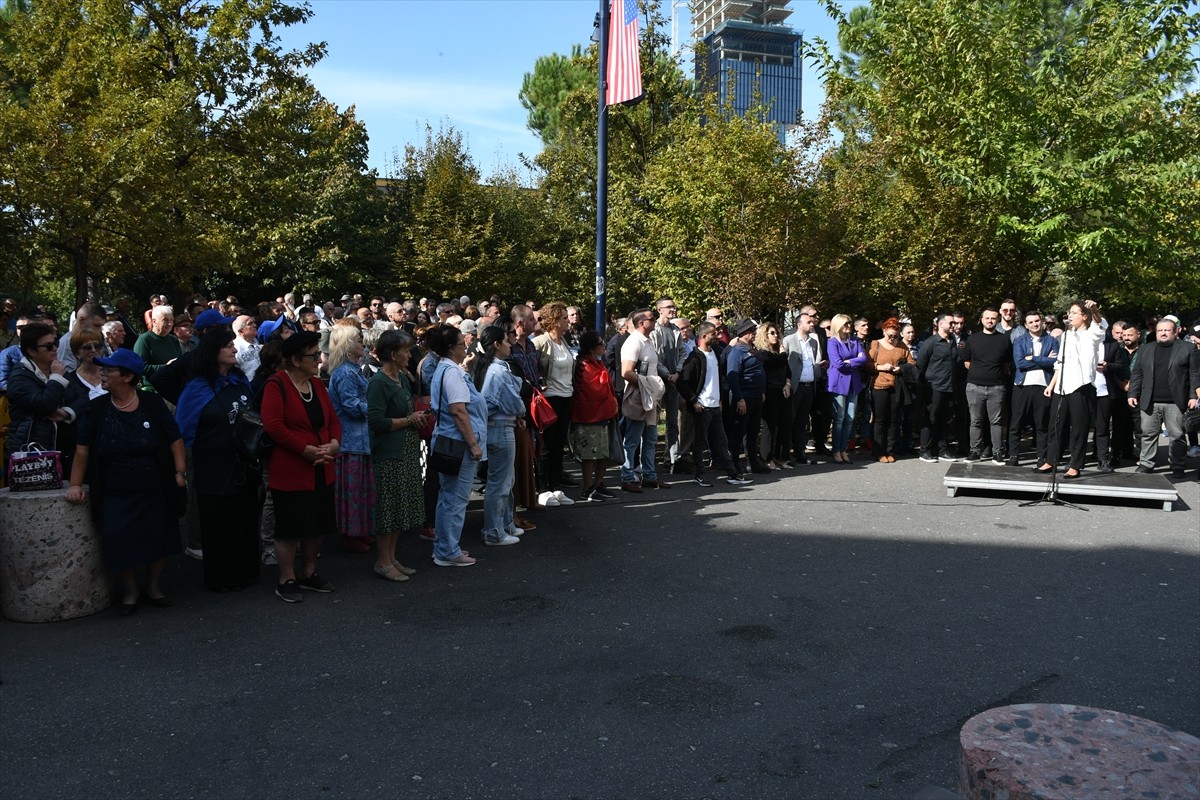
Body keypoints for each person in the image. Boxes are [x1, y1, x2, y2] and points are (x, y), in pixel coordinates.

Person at [65, 350, 185, 615]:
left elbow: (174, 438)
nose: (103, 373)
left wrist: (179, 472)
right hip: (114, 489)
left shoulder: (152, 403)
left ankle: (153, 586)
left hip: (154, 484)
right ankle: (130, 590)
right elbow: (82, 449)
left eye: (109, 370)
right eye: (103, 369)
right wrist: (74, 484)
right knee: (118, 538)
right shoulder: (95, 408)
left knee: (158, 537)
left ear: (128, 376)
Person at [175, 327, 261, 592]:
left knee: (244, 517)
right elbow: (181, 430)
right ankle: (222, 577)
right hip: (212, 466)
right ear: (213, 352)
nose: (234, 349)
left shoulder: (239, 380)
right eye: (227, 346)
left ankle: (247, 571)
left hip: (242, 464)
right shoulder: (196, 389)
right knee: (219, 521)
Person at [260, 331, 340, 602]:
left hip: (322, 465)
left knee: (317, 524)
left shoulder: (317, 385)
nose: (319, 359)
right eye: (314, 355)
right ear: (295, 360)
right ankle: (286, 577)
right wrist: (303, 449)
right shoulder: (276, 384)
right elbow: (273, 426)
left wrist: (333, 444)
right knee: (290, 526)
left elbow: (332, 420)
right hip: (292, 468)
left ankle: (308, 572)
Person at [366, 329, 428, 581]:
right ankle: (382, 561)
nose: (409, 354)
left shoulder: (401, 378)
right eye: (405, 350)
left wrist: (417, 419)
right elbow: (376, 421)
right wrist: (408, 420)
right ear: (393, 354)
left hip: (406, 450)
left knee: (400, 507)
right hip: (390, 454)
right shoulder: (378, 383)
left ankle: (391, 558)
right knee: (388, 509)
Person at [428, 324, 486, 567]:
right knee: (455, 499)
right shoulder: (451, 373)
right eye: (462, 344)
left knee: (449, 497)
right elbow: (458, 411)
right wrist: (473, 444)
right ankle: (448, 551)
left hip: (450, 442)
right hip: (458, 445)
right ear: (452, 349)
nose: (466, 347)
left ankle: (446, 546)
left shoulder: (447, 369)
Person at [678, 322, 752, 487]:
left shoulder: (715, 354)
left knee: (721, 441)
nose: (718, 335)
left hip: (715, 406)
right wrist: (693, 401)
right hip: (701, 407)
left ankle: (732, 473)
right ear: (703, 336)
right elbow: (682, 383)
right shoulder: (695, 358)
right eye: (713, 333)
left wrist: (719, 400)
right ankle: (699, 474)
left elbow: (717, 379)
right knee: (700, 442)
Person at [1038, 300, 1106, 479]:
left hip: (1081, 386)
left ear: (1084, 316)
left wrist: (1095, 310)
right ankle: (1051, 459)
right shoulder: (1067, 335)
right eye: (1069, 312)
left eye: (1074, 312)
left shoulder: (1092, 333)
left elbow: (1100, 325)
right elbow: (1060, 362)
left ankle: (1075, 464)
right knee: (1056, 424)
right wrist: (1051, 385)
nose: (1070, 315)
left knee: (1079, 427)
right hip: (1062, 386)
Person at [4, 321, 77, 481]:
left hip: (64, 452)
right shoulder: (19, 378)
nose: (55, 349)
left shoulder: (58, 368)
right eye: (48, 346)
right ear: (32, 351)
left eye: (56, 343)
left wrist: (67, 413)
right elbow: (45, 405)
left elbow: (82, 400)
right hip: (31, 457)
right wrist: (57, 378)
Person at [1128, 317, 1200, 478]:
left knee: (1177, 436)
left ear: (1175, 332)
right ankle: (1146, 464)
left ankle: (1178, 465)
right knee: (1148, 434)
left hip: (1176, 401)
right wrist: (1132, 393)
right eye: (1160, 330)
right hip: (1150, 401)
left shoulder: (1188, 348)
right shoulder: (1146, 349)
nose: (1163, 333)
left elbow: (1194, 374)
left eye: (1167, 330)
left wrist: (1193, 396)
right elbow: (1137, 373)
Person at [473, 325, 527, 541]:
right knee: (500, 482)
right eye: (506, 340)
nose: (509, 344)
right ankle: (494, 531)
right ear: (496, 344)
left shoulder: (487, 368)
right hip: (500, 429)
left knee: (505, 479)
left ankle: (505, 524)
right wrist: (520, 410)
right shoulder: (498, 370)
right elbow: (516, 403)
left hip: (497, 427)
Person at [326, 325, 376, 554]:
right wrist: (377, 409)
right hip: (350, 441)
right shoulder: (345, 373)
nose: (363, 344)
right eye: (358, 340)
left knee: (361, 489)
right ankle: (350, 534)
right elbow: (351, 407)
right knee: (353, 492)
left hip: (360, 440)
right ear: (347, 345)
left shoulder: (352, 370)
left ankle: (360, 530)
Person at [619, 308, 669, 492]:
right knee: (632, 439)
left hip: (649, 396)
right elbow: (626, 372)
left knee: (650, 439)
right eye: (652, 318)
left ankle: (649, 476)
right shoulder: (633, 343)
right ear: (642, 323)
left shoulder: (647, 341)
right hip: (638, 396)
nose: (655, 321)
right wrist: (646, 384)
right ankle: (627, 477)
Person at [570, 329, 618, 501]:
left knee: (603, 453)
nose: (603, 346)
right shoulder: (583, 365)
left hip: (603, 415)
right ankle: (588, 486)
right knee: (589, 454)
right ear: (591, 348)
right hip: (588, 416)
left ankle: (598, 483)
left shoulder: (598, 363)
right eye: (600, 344)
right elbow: (594, 389)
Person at [533, 301, 577, 490]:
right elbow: (530, 367)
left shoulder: (564, 342)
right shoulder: (541, 342)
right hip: (550, 398)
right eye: (565, 318)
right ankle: (544, 488)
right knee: (547, 445)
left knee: (559, 445)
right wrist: (539, 383)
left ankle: (556, 486)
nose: (569, 321)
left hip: (566, 396)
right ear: (555, 320)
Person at [1006, 311, 1058, 467]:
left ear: (1041, 321)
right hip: (1022, 386)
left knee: (1041, 424)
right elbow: (1020, 363)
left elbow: (1055, 362)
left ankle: (1042, 458)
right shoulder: (1020, 341)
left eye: (1037, 321)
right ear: (1026, 325)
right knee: (1016, 422)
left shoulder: (1052, 341)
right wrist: (1044, 360)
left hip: (1043, 386)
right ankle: (1013, 456)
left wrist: (1034, 358)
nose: (1035, 324)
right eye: (1031, 322)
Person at [962, 308, 1013, 462]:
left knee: (996, 422)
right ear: (981, 319)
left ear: (997, 320)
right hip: (974, 387)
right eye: (987, 318)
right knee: (975, 421)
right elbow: (966, 362)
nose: (990, 321)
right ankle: (975, 451)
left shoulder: (1004, 339)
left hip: (996, 387)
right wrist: (980, 373)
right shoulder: (972, 339)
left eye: (993, 318)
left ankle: (997, 452)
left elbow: (1007, 363)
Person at [867, 318, 915, 462]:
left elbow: (911, 364)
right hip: (879, 386)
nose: (892, 339)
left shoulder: (902, 346)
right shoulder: (876, 344)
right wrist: (880, 367)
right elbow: (866, 364)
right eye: (890, 335)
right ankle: (879, 452)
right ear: (884, 331)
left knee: (894, 420)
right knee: (880, 419)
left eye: (895, 336)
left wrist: (901, 368)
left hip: (897, 387)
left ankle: (890, 450)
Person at [917, 313, 960, 463]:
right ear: (941, 324)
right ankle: (925, 451)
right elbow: (921, 364)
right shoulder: (931, 342)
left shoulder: (952, 341)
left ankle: (942, 449)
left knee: (946, 419)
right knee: (931, 418)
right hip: (934, 386)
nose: (954, 325)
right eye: (951, 322)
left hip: (949, 386)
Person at [826, 314, 867, 464]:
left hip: (853, 383)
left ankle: (843, 449)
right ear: (838, 325)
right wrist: (854, 361)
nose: (849, 326)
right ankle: (836, 450)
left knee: (850, 418)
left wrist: (850, 361)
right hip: (839, 383)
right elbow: (838, 363)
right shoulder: (832, 342)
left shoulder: (854, 340)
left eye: (849, 323)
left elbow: (864, 358)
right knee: (839, 418)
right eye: (845, 324)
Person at [754, 322, 792, 470]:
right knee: (769, 426)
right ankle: (767, 458)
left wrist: (788, 384)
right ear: (764, 335)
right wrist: (783, 353)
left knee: (785, 424)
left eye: (776, 333)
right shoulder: (763, 353)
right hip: (769, 391)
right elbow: (778, 361)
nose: (775, 336)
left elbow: (788, 370)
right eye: (772, 333)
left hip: (783, 390)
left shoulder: (779, 352)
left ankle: (781, 457)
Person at [133, 304, 182, 383]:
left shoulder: (174, 340)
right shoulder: (144, 340)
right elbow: (139, 367)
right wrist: (166, 367)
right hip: (153, 387)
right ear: (154, 321)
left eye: (171, 320)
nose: (170, 324)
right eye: (165, 320)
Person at [232, 315, 261, 381]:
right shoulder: (235, 348)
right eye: (250, 324)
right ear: (241, 331)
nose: (255, 325)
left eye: (254, 322)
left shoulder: (255, 341)